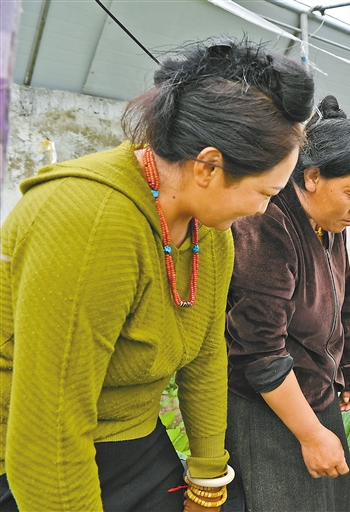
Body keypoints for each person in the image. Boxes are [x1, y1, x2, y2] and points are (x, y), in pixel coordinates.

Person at [0, 38, 314, 512]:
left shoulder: (210, 232)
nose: (263, 210)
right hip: (29, 461)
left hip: (132, 437)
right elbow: (50, 430)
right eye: (265, 192)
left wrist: (208, 481)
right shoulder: (92, 223)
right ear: (209, 166)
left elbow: (206, 355)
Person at [224, 95, 350, 512]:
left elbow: (342, 302)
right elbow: (260, 353)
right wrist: (311, 435)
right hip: (270, 408)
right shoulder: (267, 224)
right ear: (312, 177)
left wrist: (348, 368)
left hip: (316, 392)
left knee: (333, 501)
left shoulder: (330, 222)